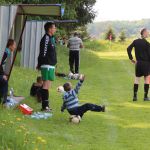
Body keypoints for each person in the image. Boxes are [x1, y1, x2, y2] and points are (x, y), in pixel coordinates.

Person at [37, 22, 57, 112]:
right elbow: (43, 53)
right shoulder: (46, 38)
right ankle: (44, 107)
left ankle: (46, 106)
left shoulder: (52, 38)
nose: (55, 29)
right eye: (54, 28)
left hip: (51, 65)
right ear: (49, 29)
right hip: (46, 65)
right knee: (45, 85)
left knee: (48, 86)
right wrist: (40, 64)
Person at [127, 28, 150, 101]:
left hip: (138, 63)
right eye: (147, 33)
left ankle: (134, 97)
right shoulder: (147, 44)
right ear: (144, 33)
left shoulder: (135, 41)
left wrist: (131, 58)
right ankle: (145, 97)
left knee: (137, 79)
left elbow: (128, 49)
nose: (148, 34)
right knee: (147, 79)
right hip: (146, 63)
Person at [0, 39, 16, 103]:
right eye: (14, 45)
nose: (15, 47)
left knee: (4, 79)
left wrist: (3, 73)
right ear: (10, 46)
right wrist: (3, 74)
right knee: (4, 81)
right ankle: (4, 101)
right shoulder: (5, 53)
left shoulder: (6, 52)